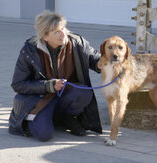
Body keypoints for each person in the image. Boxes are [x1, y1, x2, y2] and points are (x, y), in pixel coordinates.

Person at [8, 10, 102, 141]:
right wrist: (48, 86)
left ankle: (65, 117)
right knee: (44, 135)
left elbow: (96, 59)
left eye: (63, 28)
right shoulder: (29, 50)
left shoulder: (76, 42)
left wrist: (105, 63)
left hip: (66, 94)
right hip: (41, 98)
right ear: (45, 36)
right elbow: (18, 85)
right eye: (57, 31)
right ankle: (33, 118)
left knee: (84, 92)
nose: (63, 34)